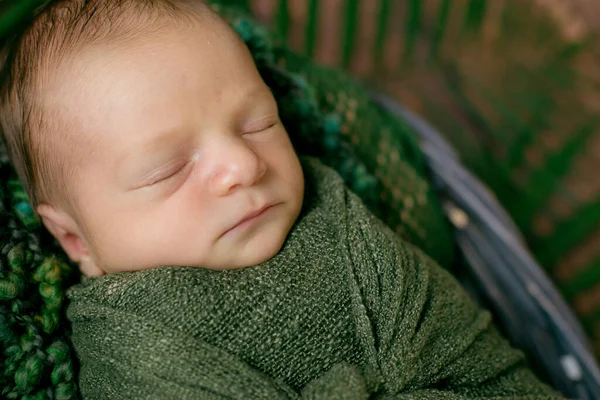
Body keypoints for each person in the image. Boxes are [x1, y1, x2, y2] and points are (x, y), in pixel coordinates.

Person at [0, 0, 565, 398]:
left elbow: (478, 360)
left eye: (256, 124)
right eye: (169, 169)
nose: (244, 165)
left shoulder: (338, 216)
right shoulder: (132, 344)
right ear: (76, 240)